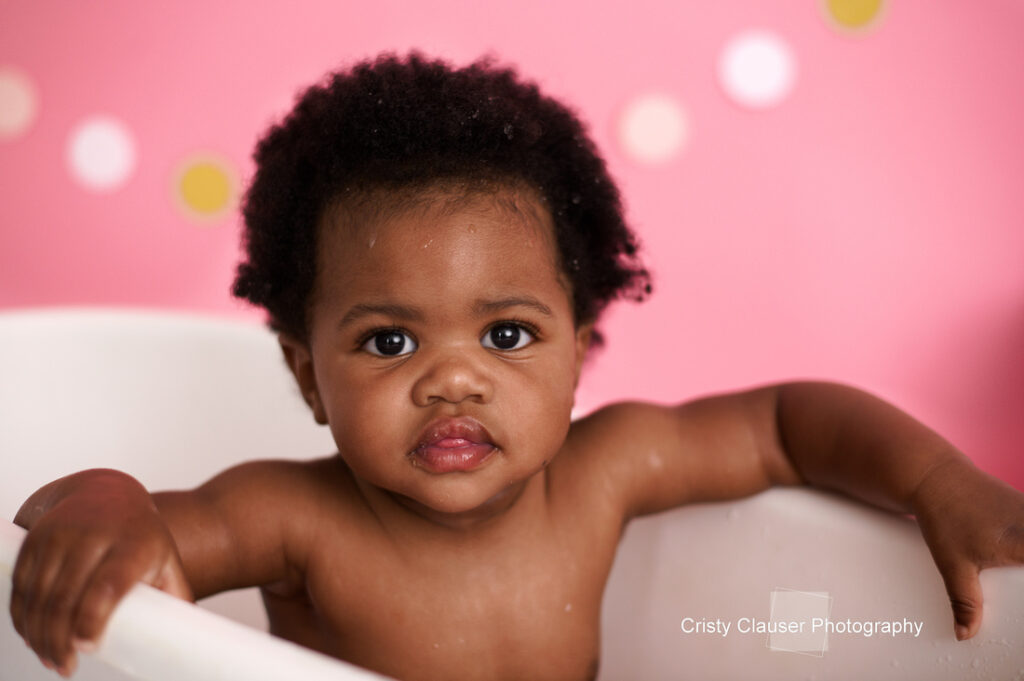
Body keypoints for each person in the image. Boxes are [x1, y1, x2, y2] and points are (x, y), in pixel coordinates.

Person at [10, 53, 1024, 681]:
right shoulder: (296, 517)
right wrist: (105, 497)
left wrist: (936, 481)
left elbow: (784, 426)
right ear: (308, 377)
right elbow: (160, 545)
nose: (452, 380)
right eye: (389, 341)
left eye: (503, 335)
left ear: (581, 351)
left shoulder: (606, 469)